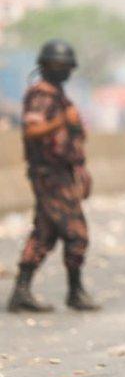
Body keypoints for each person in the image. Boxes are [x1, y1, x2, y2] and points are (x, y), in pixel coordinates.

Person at [8, 39, 98, 312]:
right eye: (57, 65)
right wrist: (62, 120)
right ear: (45, 66)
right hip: (49, 175)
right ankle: (75, 291)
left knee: (44, 234)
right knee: (76, 233)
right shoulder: (42, 95)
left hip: (63, 173)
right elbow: (31, 131)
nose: (62, 70)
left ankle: (21, 292)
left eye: (65, 66)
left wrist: (80, 169)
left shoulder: (57, 94)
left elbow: (72, 138)